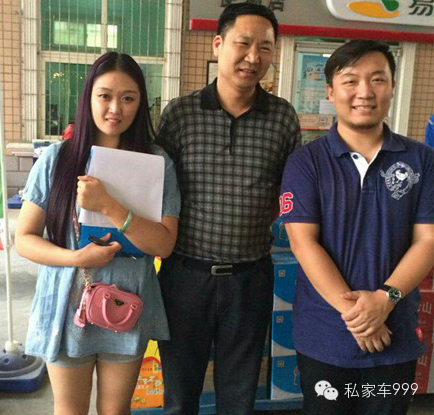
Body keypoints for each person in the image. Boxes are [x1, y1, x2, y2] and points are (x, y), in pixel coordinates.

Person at [15, 52, 180, 415]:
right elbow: (24, 238)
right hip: (66, 305)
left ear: (141, 103)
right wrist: (76, 257)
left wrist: (109, 206)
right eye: (105, 96)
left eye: (128, 98)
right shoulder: (57, 159)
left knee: (115, 410)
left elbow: (164, 243)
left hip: (127, 306)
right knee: (70, 410)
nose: (115, 109)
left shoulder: (157, 164)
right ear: (88, 97)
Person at [156, 3, 301, 414]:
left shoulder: (282, 118)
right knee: (179, 394)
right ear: (218, 44)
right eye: (243, 43)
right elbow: (159, 190)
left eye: (265, 48)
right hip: (185, 277)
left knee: (239, 398)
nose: (253, 57)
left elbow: (290, 193)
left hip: (249, 279)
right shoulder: (180, 114)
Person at [279, 39, 434, 415]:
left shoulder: (422, 160)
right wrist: (362, 318)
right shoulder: (306, 162)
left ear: (392, 87)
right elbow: (303, 243)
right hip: (326, 337)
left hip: (395, 337)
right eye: (350, 80)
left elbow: (428, 240)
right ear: (331, 91)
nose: (364, 91)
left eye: (377, 79)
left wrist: (384, 301)